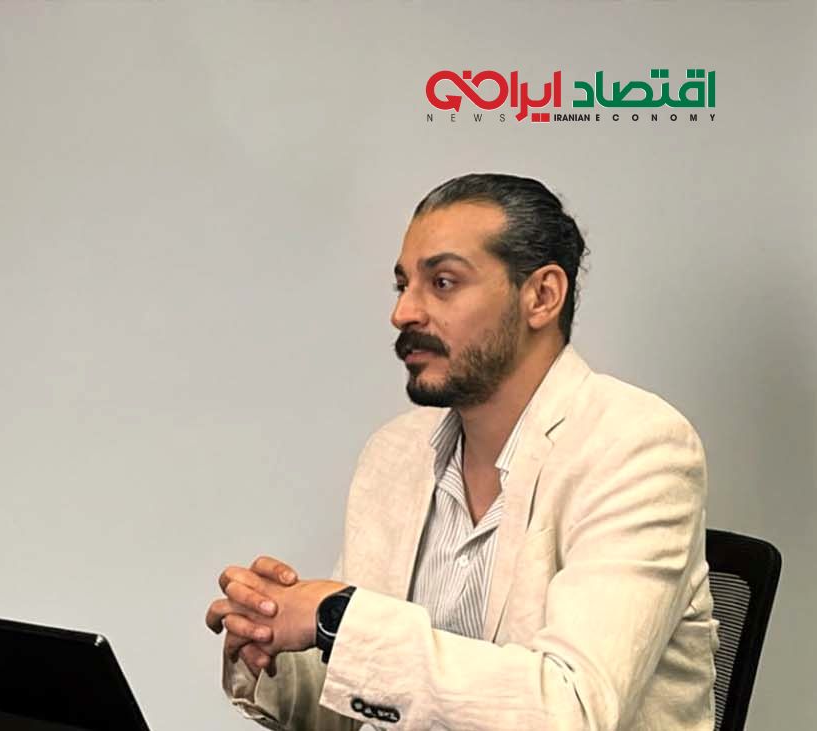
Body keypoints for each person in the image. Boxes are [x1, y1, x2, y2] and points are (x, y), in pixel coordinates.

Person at [204, 173, 718, 730]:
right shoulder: (393, 454)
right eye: (403, 286)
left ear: (542, 296)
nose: (404, 312)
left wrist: (338, 618)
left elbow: (571, 711)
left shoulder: (636, 447)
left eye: (443, 282)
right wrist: (272, 641)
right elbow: (366, 704)